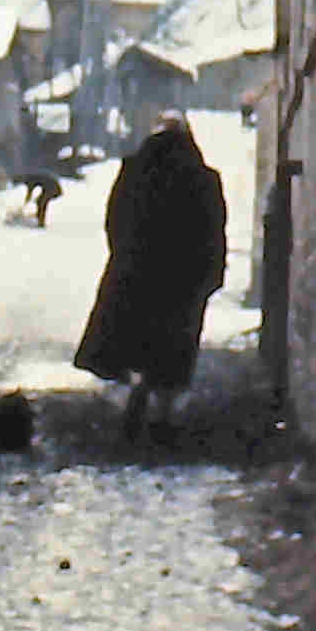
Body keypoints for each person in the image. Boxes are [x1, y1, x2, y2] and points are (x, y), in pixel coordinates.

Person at [73, 112, 226, 439]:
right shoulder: (204, 177)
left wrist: (124, 254)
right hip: (184, 276)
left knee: (136, 338)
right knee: (175, 345)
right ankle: (164, 414)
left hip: (138, 270)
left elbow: (115, 218)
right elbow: (214, 229)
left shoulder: (134, 170)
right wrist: (212, 273)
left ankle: (137, 388)